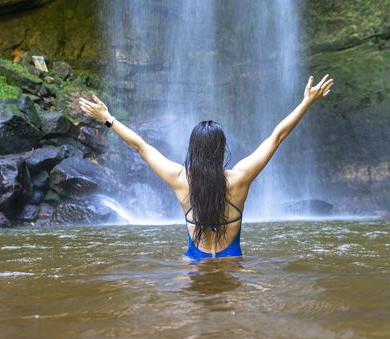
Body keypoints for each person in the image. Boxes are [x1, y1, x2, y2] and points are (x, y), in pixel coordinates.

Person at [79, 74, 334, 259]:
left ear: (193, 149)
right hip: (232, 264)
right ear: (222, 148)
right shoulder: (240, 179)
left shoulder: (180, 180)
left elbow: (141, 146)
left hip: (193, 268)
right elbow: (277, 137)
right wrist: (306, 103)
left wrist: (107, 119)